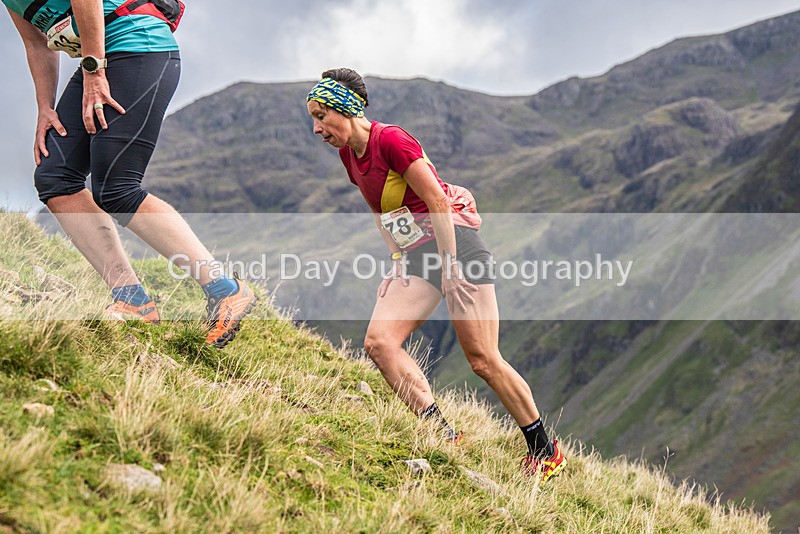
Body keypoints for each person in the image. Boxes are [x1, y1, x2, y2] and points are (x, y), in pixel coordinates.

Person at [306, 68, 567, 481]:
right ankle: (442, 435)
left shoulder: (391, 140)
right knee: (379, 343)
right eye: (313, 119)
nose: (317, 128)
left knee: (483, 359)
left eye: (321, 116)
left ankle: (546, 451)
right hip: (418, 254)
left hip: (456, 247)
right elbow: (381, 211)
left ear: (347, 108)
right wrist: (396, 261)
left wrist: (449, 268)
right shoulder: (348, 155)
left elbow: (437, 203)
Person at [4, 0, 255, 347]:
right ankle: (132, 299)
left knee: (117, 188)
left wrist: (93, 72)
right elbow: (36, 42)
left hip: (138, 47)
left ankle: (225, 289)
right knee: (55, 177)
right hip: (102, 57)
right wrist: (45, 108)